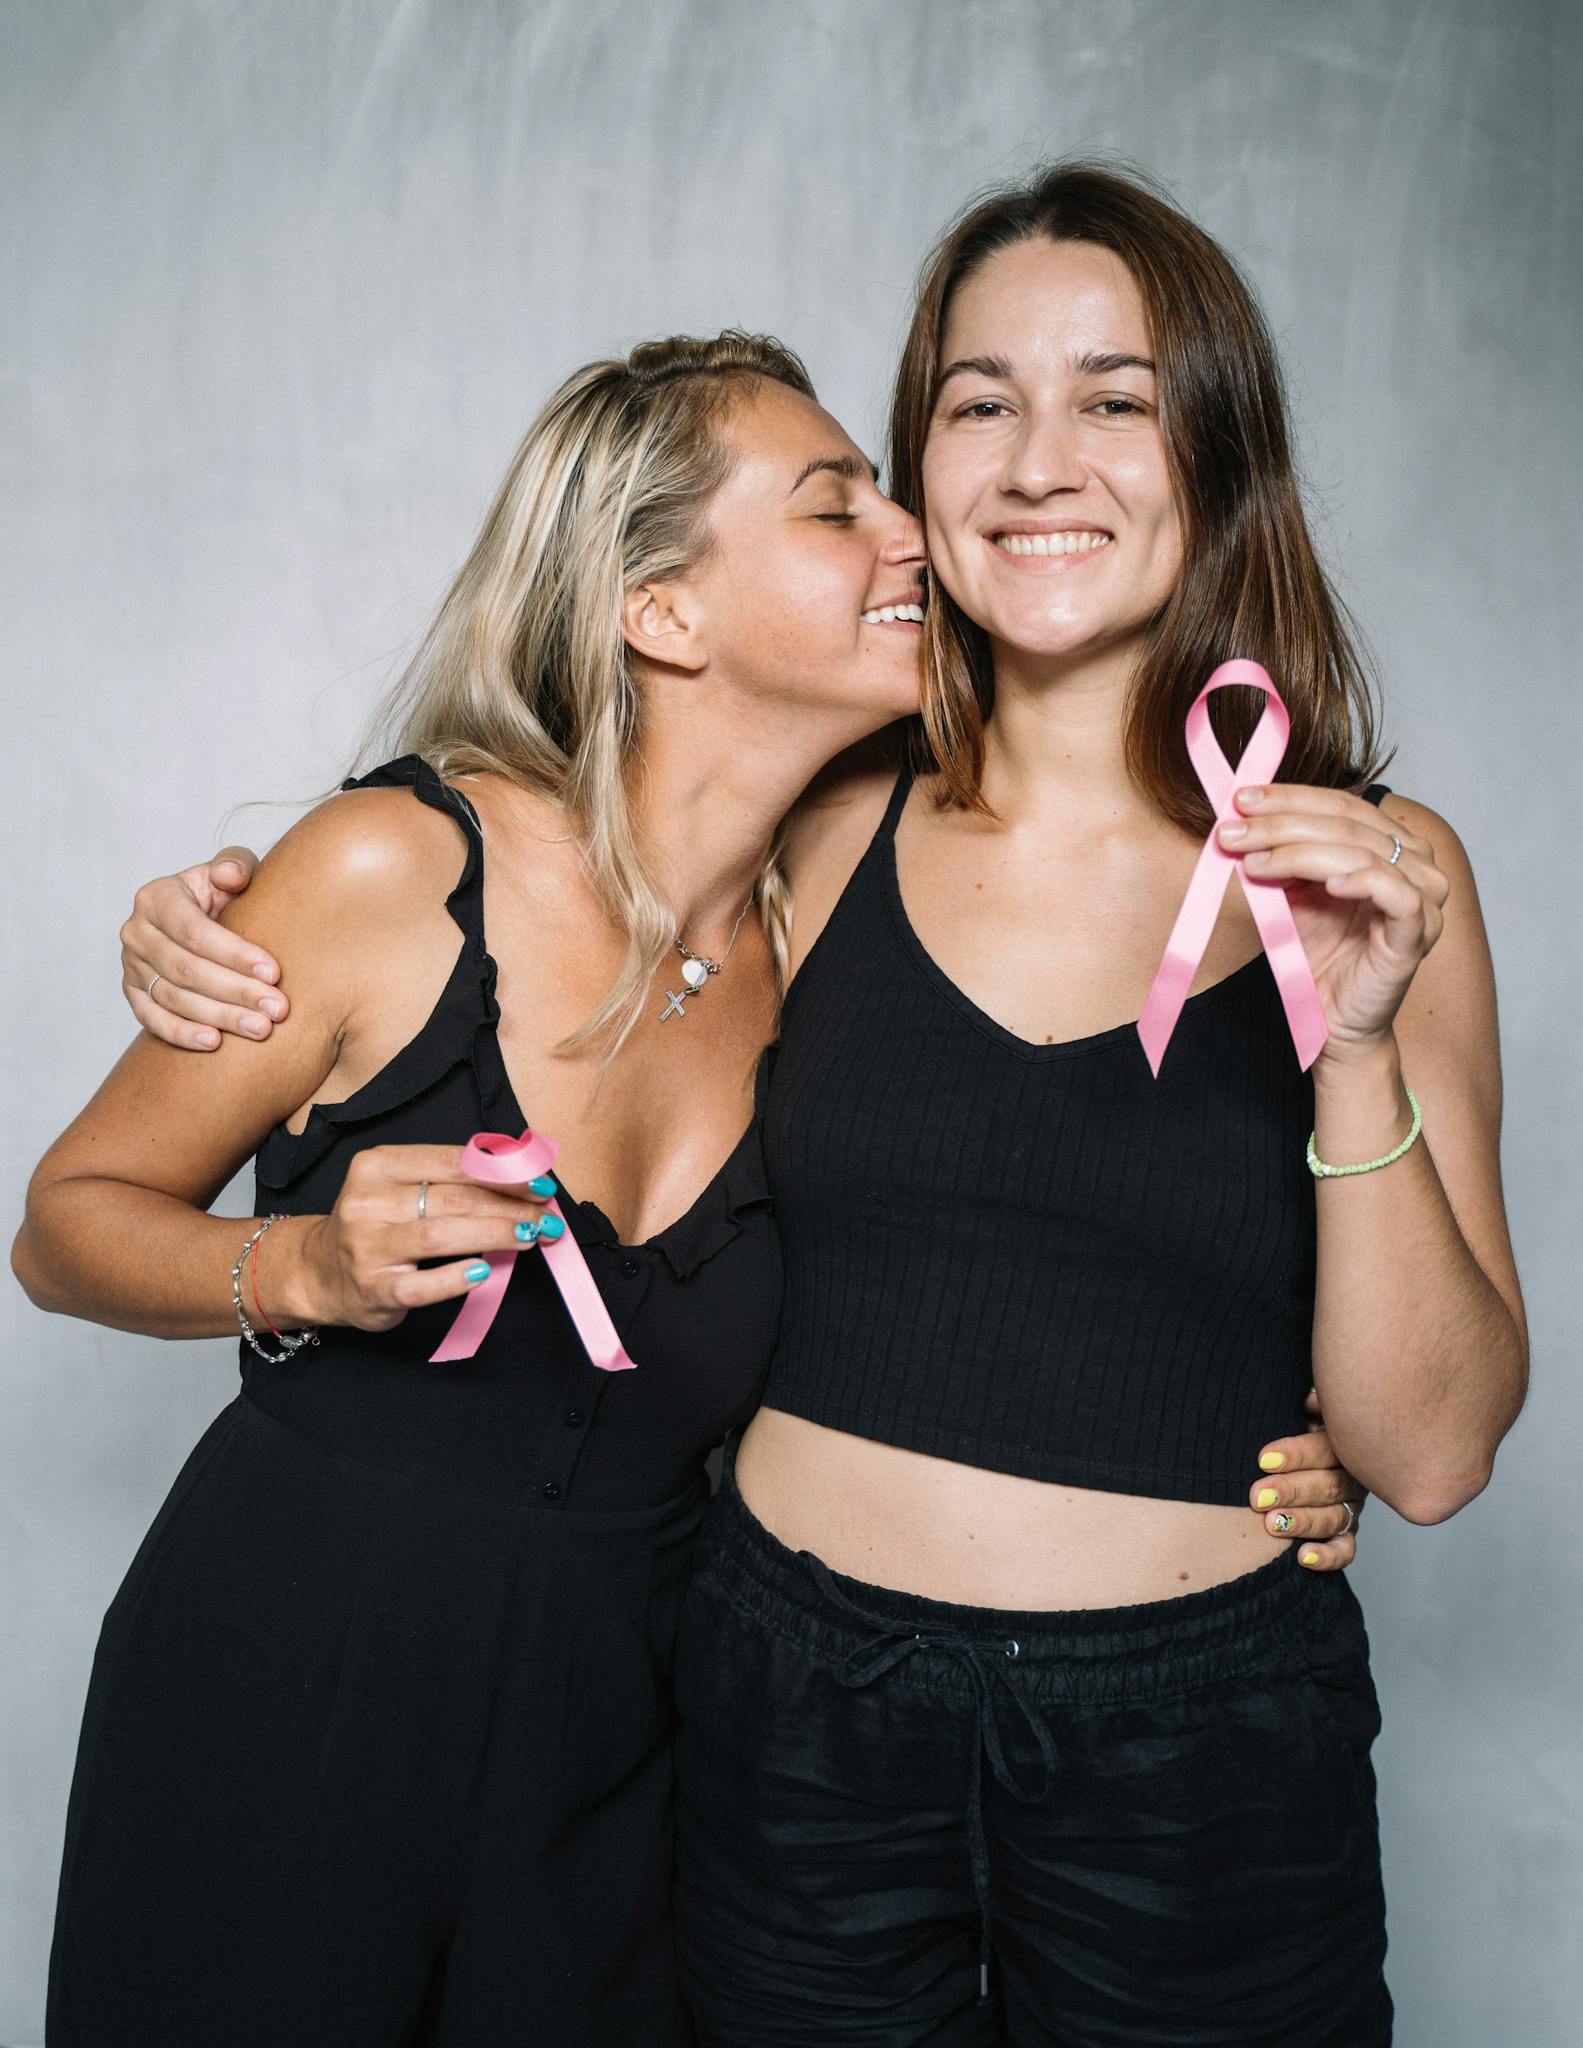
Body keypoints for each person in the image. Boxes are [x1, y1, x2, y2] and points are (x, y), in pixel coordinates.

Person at [663, 165, 1527, 2045]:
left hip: (1203, 1766)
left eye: (1114, 398)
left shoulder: (1375, 869)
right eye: (981, 402)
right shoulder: (819, 827)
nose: (1040, 460)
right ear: (921, 470)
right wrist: (257, 913)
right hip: (791, 1727)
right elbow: (534, 914)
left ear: (1215, 450)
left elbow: (1438, 1451)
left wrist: (1355, 1038)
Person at [12, 329, 933, 2045]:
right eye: (836, 506)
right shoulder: (392, 863)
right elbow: (63, 1224)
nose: (912, 533)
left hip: (627, 1756)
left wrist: (1245, 1453)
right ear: (664, 610)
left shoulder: (836, 937)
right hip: (281, 1683)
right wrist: (298, 1266)